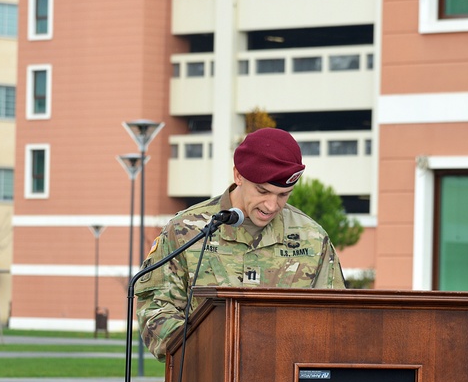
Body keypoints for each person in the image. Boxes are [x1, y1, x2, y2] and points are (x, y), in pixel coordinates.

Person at [136, 127, 345, 359]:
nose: (272, 205)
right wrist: (209, 350)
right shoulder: (187, 229)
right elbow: (155, 310)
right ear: (238, 176)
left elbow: (335, 320)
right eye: (262, 191)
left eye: (283, 195)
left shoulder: (313, 238)